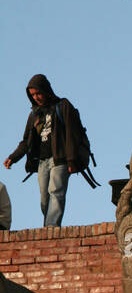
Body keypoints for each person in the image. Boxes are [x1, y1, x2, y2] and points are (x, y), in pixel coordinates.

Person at [3, 73, 96, 226]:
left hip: (61, 159)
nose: (36, 97)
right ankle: (48, 228)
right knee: (44, 198)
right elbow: (26, 141)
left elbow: (71, 134)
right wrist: (13, 157)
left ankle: (51, 229)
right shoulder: (34, 114)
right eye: (32, 95)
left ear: (46, 90)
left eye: (38, 93)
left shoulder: (63, 106)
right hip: (42, 161)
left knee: (56, 192)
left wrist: (71, 159)